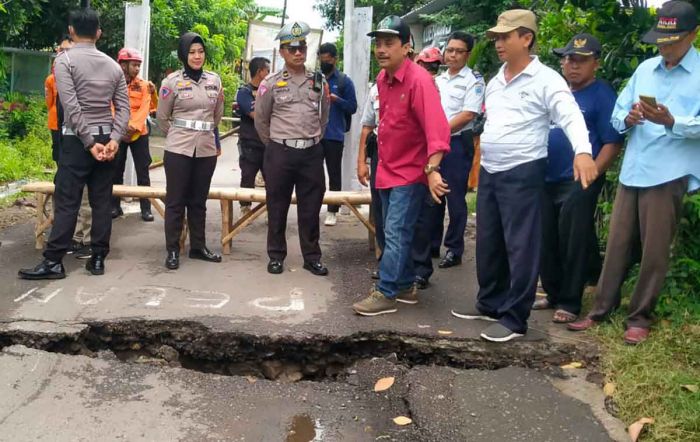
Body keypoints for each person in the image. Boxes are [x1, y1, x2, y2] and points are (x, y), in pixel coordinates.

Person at [450, 9, 598, 342]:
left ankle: (516, 318)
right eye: (497, 37)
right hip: (491, 170)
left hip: (523, 170)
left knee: (521, 246)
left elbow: (570, 115)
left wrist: (583, 151)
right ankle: (490, 302)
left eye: (506, 36)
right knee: (489, 241)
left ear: (526, 38)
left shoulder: (546, 79)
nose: (498, 43)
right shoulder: (496, 79)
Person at [568, 1, 700, 344]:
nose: (665, 47)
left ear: (693, 35)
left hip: (668, 172)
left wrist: (672, 121)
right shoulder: (645, 69)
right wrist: (627, 119)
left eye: (672, 41)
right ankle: (599, 310)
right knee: (617, 244)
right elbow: (618, 111)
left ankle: (639, 317)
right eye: (661, 41)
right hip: (634, 168)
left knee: (655, 250)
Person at [19, 8, 129, 280]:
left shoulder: (64, 61)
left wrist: (89, 142)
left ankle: (54, 261)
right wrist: (113, 140)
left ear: (71, 31)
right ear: (99, 33)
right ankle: (99, 258)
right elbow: (123, 109)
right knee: (102, 201)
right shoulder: (113, 66)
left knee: (67, 201)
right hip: (106, 139)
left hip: (76, 140)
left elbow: (71, 106)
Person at [352, 16, 451, 316]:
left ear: (407, 47)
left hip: (410, 172)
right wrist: (367, 160)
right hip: (386, 167)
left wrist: (432, 171)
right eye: (378, 44)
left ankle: (386, 292)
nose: (381, 49)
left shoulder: (421, 81)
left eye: (389, 43)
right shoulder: (382, 79)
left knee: (396, 232)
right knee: (386, 231)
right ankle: (406, 283)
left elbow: (438, 131)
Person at [533, 34, 623, 323]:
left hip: (579, 179)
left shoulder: (601, 94)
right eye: (568, 58)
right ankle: (553, 292)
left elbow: (612, 141)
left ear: (595, 63)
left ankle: (570, 301)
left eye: (580, 60)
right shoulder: (556, 91)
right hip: (544, 176)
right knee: (546, 236)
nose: (572, 65)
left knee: (573, 238)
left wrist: (594, 170)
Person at [254, 21, 331, 276]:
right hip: (280, 152)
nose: (298, 52)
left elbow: (324, 117)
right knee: (277, 205)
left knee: (311, 208)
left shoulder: (318, 81)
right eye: (291, 48)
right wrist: (276, 144)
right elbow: (261, 120)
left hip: (310, 152)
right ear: (282, 52)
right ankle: (276, 255)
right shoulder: (271, 83)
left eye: (302, 47)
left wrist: (312, 140)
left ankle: (312, 257)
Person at [156, 32, 225, 270]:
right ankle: (173, 250)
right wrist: (177, 136)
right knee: (175, 201)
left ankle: (198, 247)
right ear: (184, 55)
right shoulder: (171, 82)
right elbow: (162, 118)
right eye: (192, 52)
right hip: (178, 149)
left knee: (198, 201)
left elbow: (217, 116)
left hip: (205, 149)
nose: (197, 56)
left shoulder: (214, 80)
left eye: (201, 51)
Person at [431, 31, 485, 269]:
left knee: (455, 198)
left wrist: (439, 131)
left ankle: (454, 249)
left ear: (468, 54)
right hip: (434, 144)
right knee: (433, 195)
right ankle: (431, 244)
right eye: (449, 50)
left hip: (456, 143)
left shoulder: (473, 80)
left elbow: (468, 114)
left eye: (458, 51)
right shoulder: (438, 79)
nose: (452, 55)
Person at [112, 48, 153, 222]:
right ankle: (114, 207)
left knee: (143, 171)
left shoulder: (144, 85)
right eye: (134, 65)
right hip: (119, 133)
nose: (137, 69)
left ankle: (146, 209)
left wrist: (132, 126)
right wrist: (122, 128)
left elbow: (145, 107)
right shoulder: (113, 84)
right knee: (115, 170)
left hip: (139, 134)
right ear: (123, 65)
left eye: (138, 65)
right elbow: (110, 107)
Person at [318, 43, 358, 226]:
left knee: (334, 173)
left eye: (328, 59)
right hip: (314, 135)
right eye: (321, 59)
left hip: (334, 135)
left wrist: (337, 100)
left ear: (335, 59)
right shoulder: (314, 79)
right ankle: (314, 206)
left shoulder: (344, 81)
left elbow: (352, 107)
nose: (324, 62)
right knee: (313, 174)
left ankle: (332, 210)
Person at [234, 56, 270, 217]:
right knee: (247, 176)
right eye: (267, 70)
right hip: (250, 143)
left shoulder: (270, 90)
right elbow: (256, 115)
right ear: (260, 72)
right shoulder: (244, 92)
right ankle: (245, 207)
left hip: (268, 143)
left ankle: (271, 210)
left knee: (272, 178)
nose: (269, 74)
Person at [357, 82, 383, 279]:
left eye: (388, 47)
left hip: (407, 157)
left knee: (400, 218)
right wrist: (362, 162)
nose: (382, 51)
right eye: (379, 48)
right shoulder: (377, 88)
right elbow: (367, 127)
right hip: (380, 154)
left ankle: (411, 273)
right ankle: (385, 264)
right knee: (380, 211)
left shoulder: (416, 84)